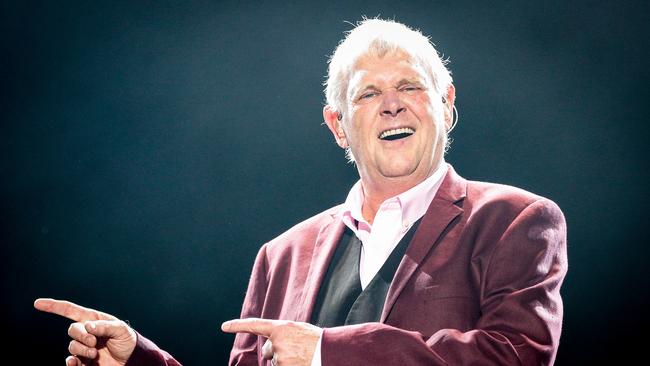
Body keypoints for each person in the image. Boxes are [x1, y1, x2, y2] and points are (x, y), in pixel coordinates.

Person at [35, 18, 568, 366]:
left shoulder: (515, 220)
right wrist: (139, 361)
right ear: (337, 125)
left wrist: (324, 350)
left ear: (446, 103)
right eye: (369, 94)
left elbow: (516, 356)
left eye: (409, 86)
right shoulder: (282, 255)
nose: (392, 104)